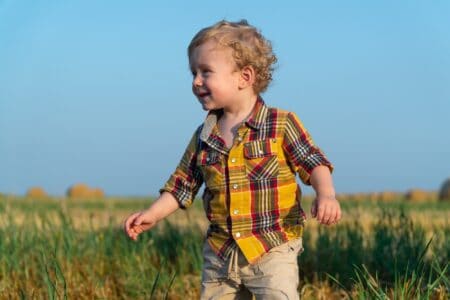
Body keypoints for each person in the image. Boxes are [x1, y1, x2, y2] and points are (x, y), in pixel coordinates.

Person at [124, 19, 341, 299]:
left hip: (272, 247)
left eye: (206, 72)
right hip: (220, 253)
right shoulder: (204, 136)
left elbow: (313, 161)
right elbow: (182, 185)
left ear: (244, 77)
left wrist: (326, 194)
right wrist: (151, 215)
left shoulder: (281, 124)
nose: (196, 81)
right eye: (193, 72)